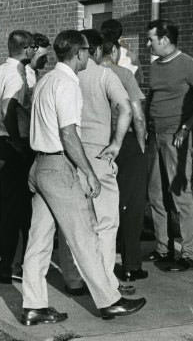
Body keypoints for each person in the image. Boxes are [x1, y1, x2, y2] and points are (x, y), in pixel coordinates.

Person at [20, 30, 145, 324]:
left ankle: (33, 304)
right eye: (87, 51)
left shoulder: (46, 79)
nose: (89, 55)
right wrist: (88, 171)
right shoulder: (66, 83)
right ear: (79, 53)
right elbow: (68, 133)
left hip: (39, 164)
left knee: (39, 239)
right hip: (58, 166)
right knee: (85, 235)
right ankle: (109, 301)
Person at [59, 29, 131, 293]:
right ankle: (105, 281)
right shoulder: (104, 75)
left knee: (73, 220)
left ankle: (74, 277)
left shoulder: (62, 75)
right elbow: (125, 108)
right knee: (106, 221)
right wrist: (117, 143)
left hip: (69, 153)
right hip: (98, 156)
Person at [145, 19, 193, 271]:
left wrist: (186, 127)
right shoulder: (154, 66)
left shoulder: (188, 64)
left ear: (164, 40)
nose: (148, 43)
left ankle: (189, 253)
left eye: (151, 39)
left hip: (176, 136)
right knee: (155, 194)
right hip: (154, 135)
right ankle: (163, 248)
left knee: (179, 194)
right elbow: (152, 97)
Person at [0, 30, 36, 284]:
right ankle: (10, 265)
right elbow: (8, 107)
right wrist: (17, 140)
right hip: (7, 144)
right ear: (26, 50)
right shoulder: (17, 74)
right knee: (14, 207)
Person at [100, 38, 149, 282]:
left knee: (101, 206)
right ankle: (131, 263)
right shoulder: (124, 75)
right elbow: (137, 115)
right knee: (131, 204)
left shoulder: (86, 75)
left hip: (98, 141)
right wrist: (141, 144)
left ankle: (101, 264)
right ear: (115, 51)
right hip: (125, 142)